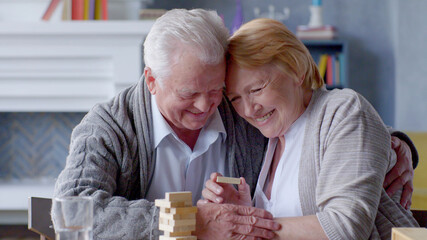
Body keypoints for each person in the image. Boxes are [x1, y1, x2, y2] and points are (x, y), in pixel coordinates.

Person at [52, 9, 417, 240]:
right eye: (189, 92)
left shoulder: (237, 110)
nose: (205, 105)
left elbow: (325, 124)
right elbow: (70, 211)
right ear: (151, 81)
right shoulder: (109, 127)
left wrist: (393, 143)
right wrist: (193, 222)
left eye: (216, 90)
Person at [201, 18, 419, 239]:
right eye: (236, 98)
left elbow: (345, 228)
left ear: (296, 70)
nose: (248, 110)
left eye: (257, 89)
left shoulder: (343, 110)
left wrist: (246, 226)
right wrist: (242, 212)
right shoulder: (268, 135)